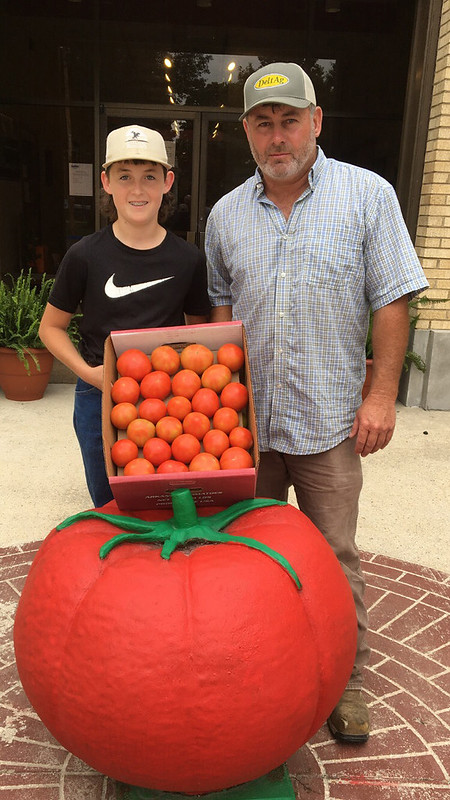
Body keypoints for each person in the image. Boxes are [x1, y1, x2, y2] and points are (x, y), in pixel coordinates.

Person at [205, 62, 428, 743]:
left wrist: (382, 395)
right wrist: (221, 416)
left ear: (316, 121)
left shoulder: (368, 196)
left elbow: (393, 299)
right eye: (263, 123)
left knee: (334, 556)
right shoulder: (225, 214)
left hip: (331, 422)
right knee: (249, 556)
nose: (278, 137)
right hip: (250, 429)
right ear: (246, 131)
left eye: (289, 120)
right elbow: (220, 313)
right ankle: (259, 670)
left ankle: (348, 683)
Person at [39, 125, 210, 508]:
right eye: (125, 177)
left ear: (167, 182)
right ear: (106, 182)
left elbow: (200, 332)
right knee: (110, 503)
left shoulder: (188, 259)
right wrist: (89, 374)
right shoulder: (84, 255)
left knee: (166, 502)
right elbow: (50, 328)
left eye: (149, 177)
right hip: (98, 391)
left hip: (168, 399)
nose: (137, 190)